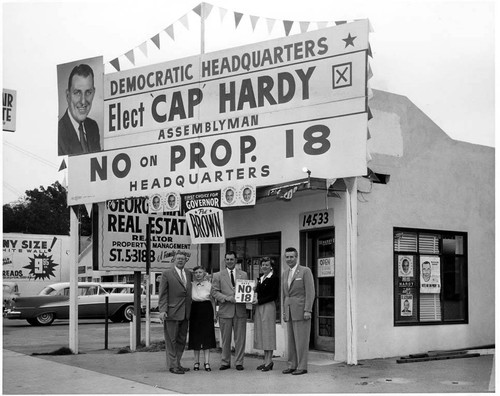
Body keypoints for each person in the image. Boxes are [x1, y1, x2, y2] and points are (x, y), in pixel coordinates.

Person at [211, 251, 248, 370]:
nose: (230, 261)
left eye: (232, 259)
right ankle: (225, 362)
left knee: (240, 339)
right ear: (224, 260)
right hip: (225, 311)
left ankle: (239, 362)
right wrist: (227, 298)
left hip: (240, 311)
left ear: (236, 260)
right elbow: (214, 292)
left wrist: (249, 294)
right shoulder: (218, 275)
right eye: (227, 259)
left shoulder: (244, 274)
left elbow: (246, 290)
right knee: (226, 339)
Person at [282, 247, 315, 376]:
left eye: (292, 257)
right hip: (289, 311)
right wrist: (284, 312)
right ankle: (292, 365)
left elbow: (310, 292)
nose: (289, 259)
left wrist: (308, 310)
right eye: (287, 257)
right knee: (291, 341)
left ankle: (302, 366)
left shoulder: (305, 271)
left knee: (301, 340)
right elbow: (284, 294)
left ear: (297, 257)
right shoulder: (285, 273)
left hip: (301, 311)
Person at [158, 252, 192, 374]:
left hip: (185, 312)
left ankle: (177, 363)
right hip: (171, 312)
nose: (180, 261)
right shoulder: (166, 274)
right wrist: (162, 310)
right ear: (174, 260)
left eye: (182, 259)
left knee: (181, 340)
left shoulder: (188, 273)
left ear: (186, 260)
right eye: (178, 259)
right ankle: (173, 366)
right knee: (171, 340)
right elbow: (162, 294)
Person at [58, 64, 101, 156]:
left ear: (93, 93)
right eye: (77, 93)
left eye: (88, 92)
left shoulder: (93, 127)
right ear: (68, 96)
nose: (83, 101)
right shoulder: (58, 133)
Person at [253, 257, 279, 371]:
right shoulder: (261, 278)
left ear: (271, 266)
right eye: (263, 264)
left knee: (268, 333)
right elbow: (258, 293)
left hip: (268, 307)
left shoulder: (274, 278)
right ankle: (266, 361)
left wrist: (259, 301)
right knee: (262, 334)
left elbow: (273, 295)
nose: (264, 266)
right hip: (259, 307)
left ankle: (269, 361)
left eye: (267, 265)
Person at [188, 266, 217, 372]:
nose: (198, 274)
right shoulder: (190, 285)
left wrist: (214, 314)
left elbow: (213, 301)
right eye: (196, 272)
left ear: (204, 273)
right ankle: (196, 362)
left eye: (200, 272)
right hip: (195, 308)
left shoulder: (209, 285)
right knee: (195, 336)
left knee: (207, 336)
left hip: (206, 308)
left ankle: (207, 362)